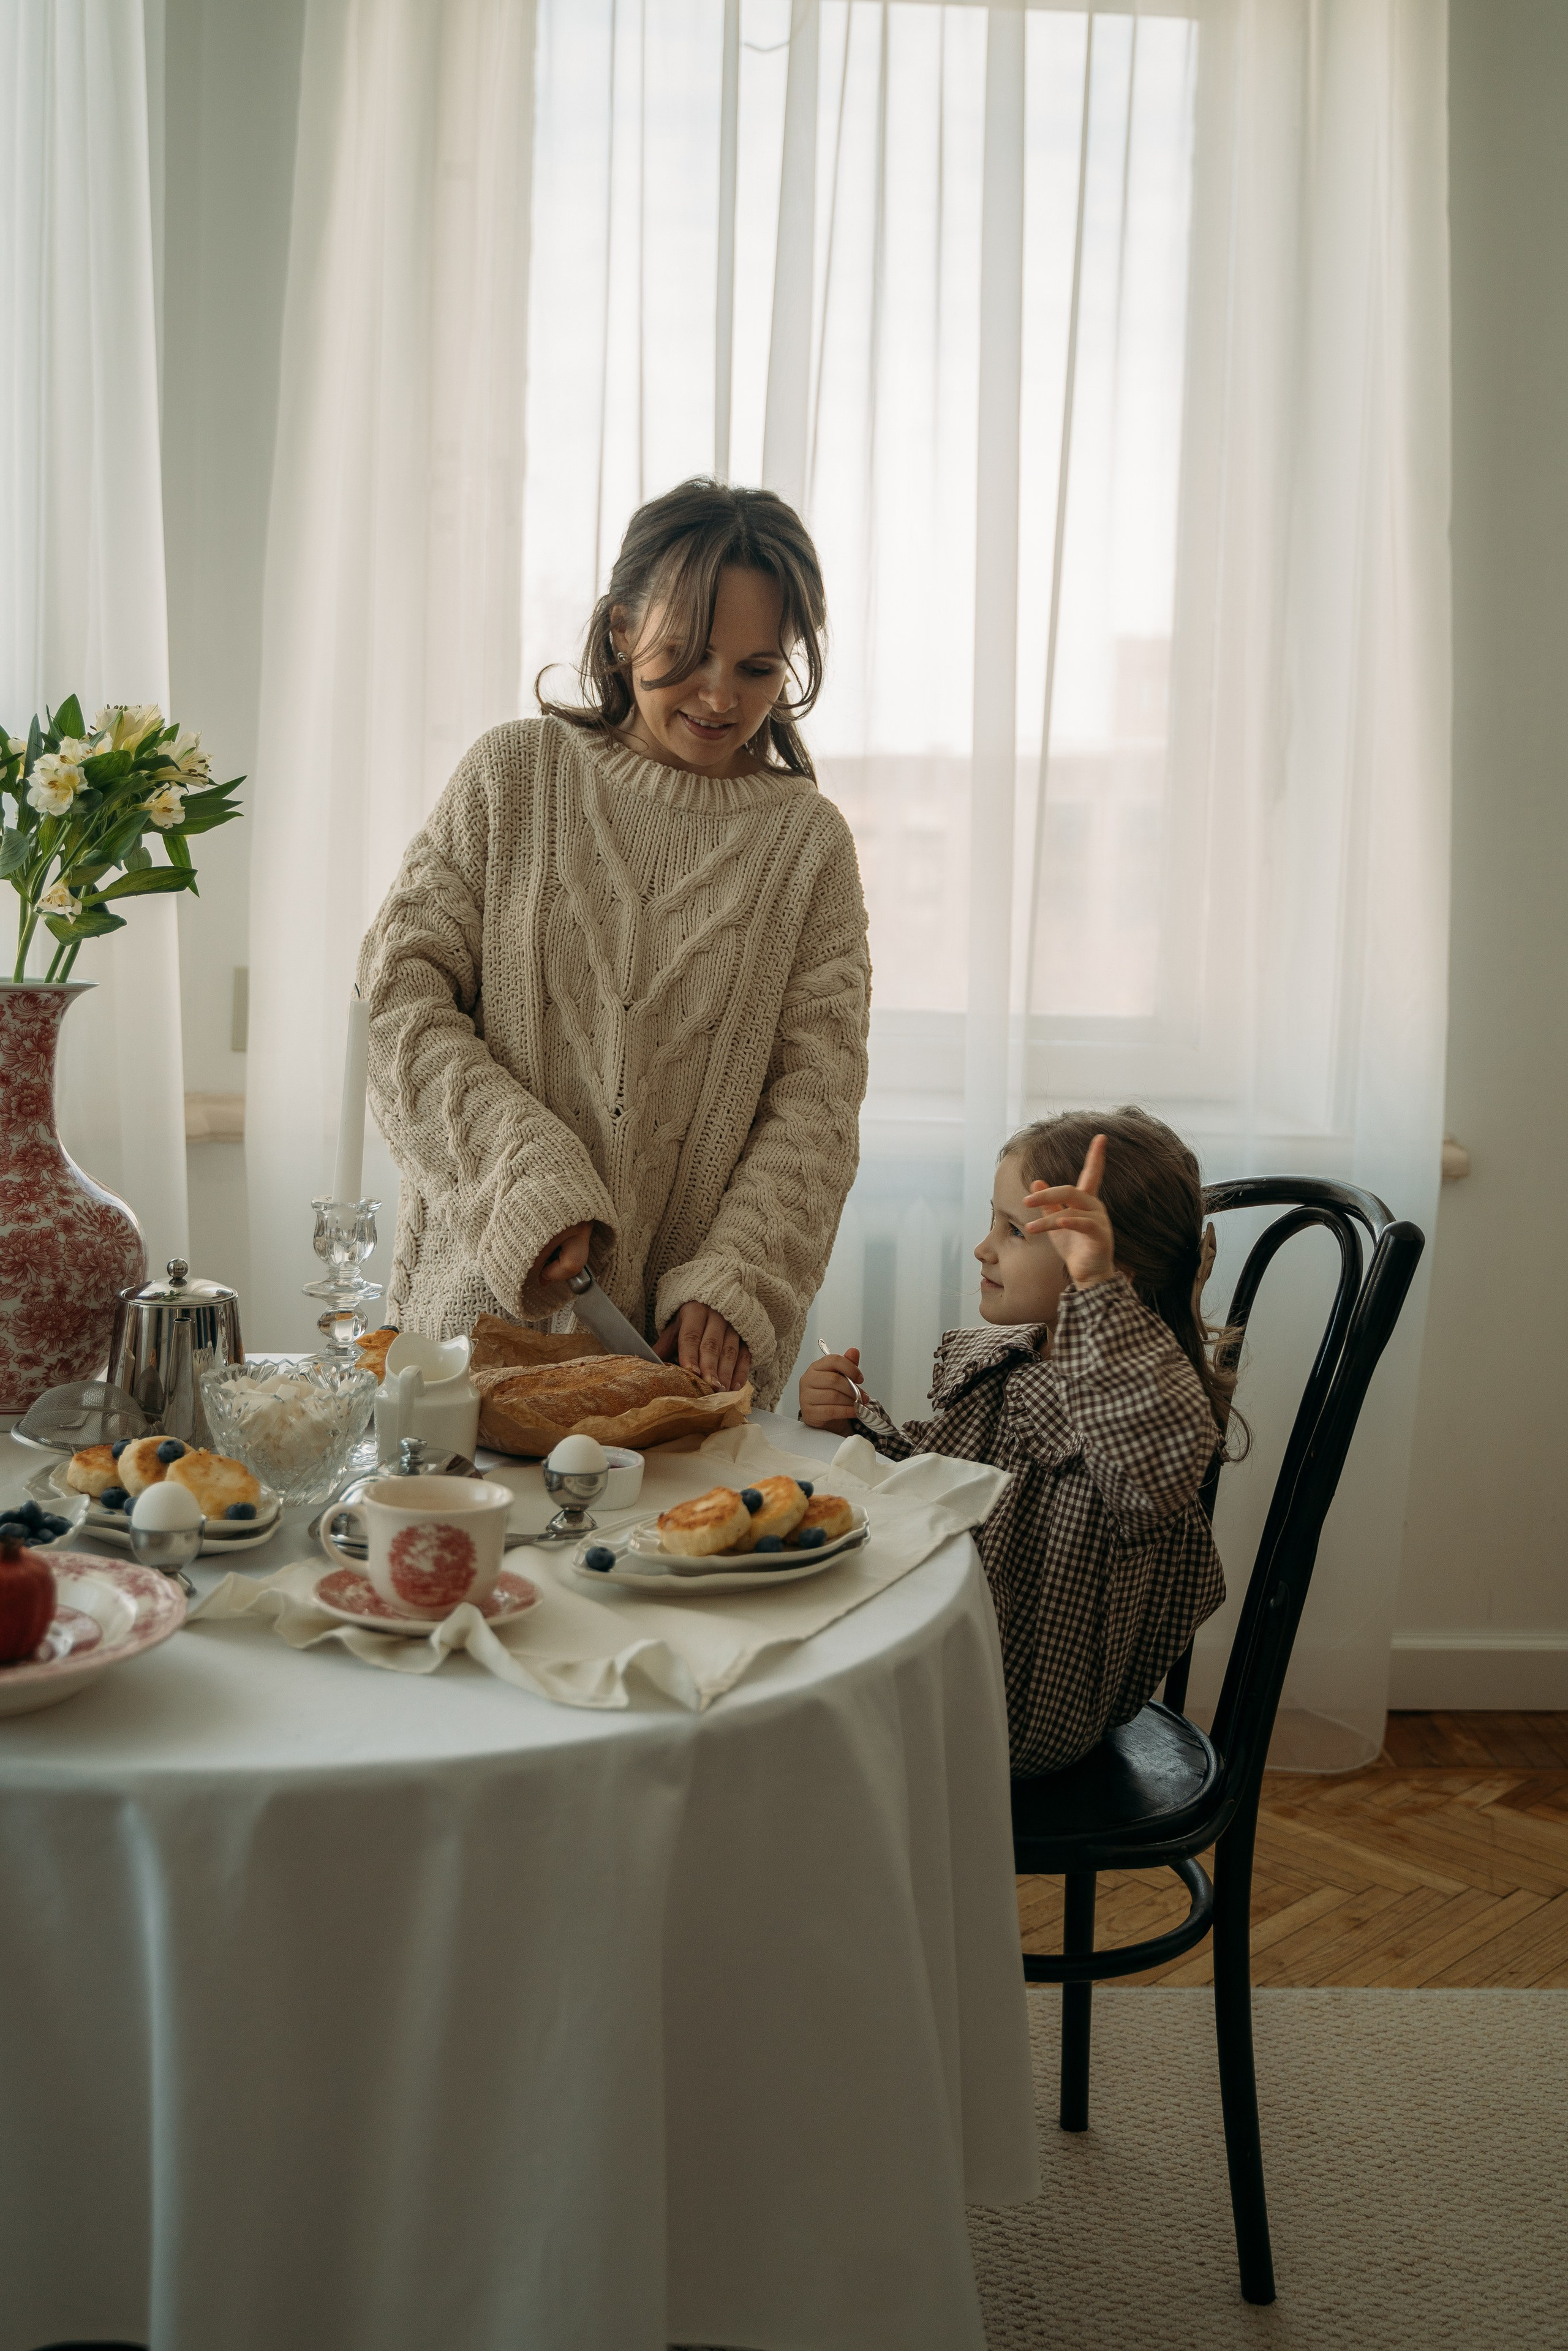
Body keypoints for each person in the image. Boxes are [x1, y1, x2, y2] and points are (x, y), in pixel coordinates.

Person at [358, 480, 870, 1405]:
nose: (720, 695)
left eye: (758, 668)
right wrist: (525, 1182)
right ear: (621, 629)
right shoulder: (512, 776)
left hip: (680, 1366)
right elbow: (399, 1002)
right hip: (465, 1345)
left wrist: (738, 1281)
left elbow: (817, 1104)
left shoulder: (808, 846)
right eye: (687, 653)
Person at [799, 1108, 1235, 1775]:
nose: (983, 1248)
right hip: (951, 1660)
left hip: (1018, 1714)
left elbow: (1151, 1464)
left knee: (778, 1722)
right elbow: (948, 1484)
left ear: (1110, 1270)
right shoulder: (1016, 1361)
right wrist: (854, 1426)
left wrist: (1096, 1290)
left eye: (1013, 1231)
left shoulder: (1137, 1410)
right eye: (993, 1221)